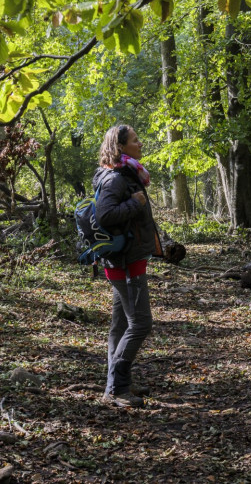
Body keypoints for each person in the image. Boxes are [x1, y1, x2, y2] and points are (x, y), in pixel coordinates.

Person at [94, 124, 159, 408]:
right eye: (135, 140)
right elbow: (104, 216)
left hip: (128, 259)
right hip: (125, 262)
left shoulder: (127, 174)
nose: (140, 143)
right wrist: (135, 203)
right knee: (141, 323)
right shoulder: (115, 179)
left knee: (120, 326)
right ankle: (118, 390)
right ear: (121, 147)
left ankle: (117, 385)